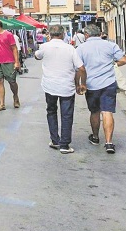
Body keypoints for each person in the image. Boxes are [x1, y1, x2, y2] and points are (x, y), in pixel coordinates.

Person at [76, 24, 126, 154]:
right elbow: (124, 60)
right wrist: (113, 64)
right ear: (100, 34)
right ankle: (109, 143)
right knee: (107, 111)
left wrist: (79, 84)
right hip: (108, 83)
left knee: (94, 112)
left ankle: (95, 137)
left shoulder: (81, 48)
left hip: (91, 84)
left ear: (86, 35)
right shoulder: (110, 45)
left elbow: (78, 68)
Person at [35, 25, 87, 154]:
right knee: (67, 115)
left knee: (51, 111)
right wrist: (82, 84)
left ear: (50, 35)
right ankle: (64, 145)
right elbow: (81, 68)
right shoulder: (70, 49)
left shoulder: (44, 47)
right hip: (66, 87)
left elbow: (37, 56)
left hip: (50, 86)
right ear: (63, 34)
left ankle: (54, 140)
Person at [0, 20, 21, 110]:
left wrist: (17, 62)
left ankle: (15, 97)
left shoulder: (8, 34)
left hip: (8, 61)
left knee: (12, 82)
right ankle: (1, 104)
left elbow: (14, 48)